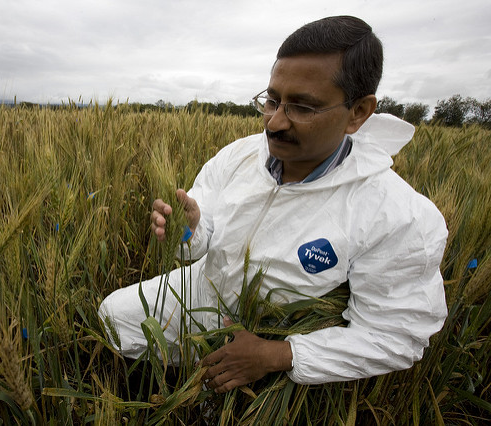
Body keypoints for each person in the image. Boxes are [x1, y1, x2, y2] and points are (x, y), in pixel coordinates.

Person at [99, 15, 448, 393]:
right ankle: (191, 374)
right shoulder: (239, 155)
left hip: (274, 334)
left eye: (302, 107)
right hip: (202, 289)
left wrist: (277, 355)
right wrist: (191, 230)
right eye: (272, 100)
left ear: (358, 112)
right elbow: (204, 237)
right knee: (111, 319)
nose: (274, 123)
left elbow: (395, 336)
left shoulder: (399, 216)